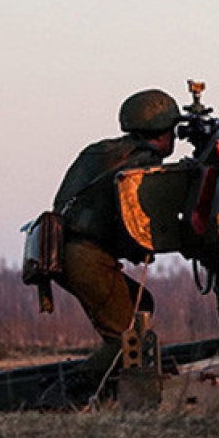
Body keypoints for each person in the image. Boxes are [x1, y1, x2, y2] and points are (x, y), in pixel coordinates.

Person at [51, 88, 180, 394]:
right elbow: (142, 220)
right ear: (164, 132)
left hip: (63, 248)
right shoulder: (144, 164)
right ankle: (71, 391)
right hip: (86, 258)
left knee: (142, 304)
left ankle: (113, 383)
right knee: (127, 342)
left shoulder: (99, 152)